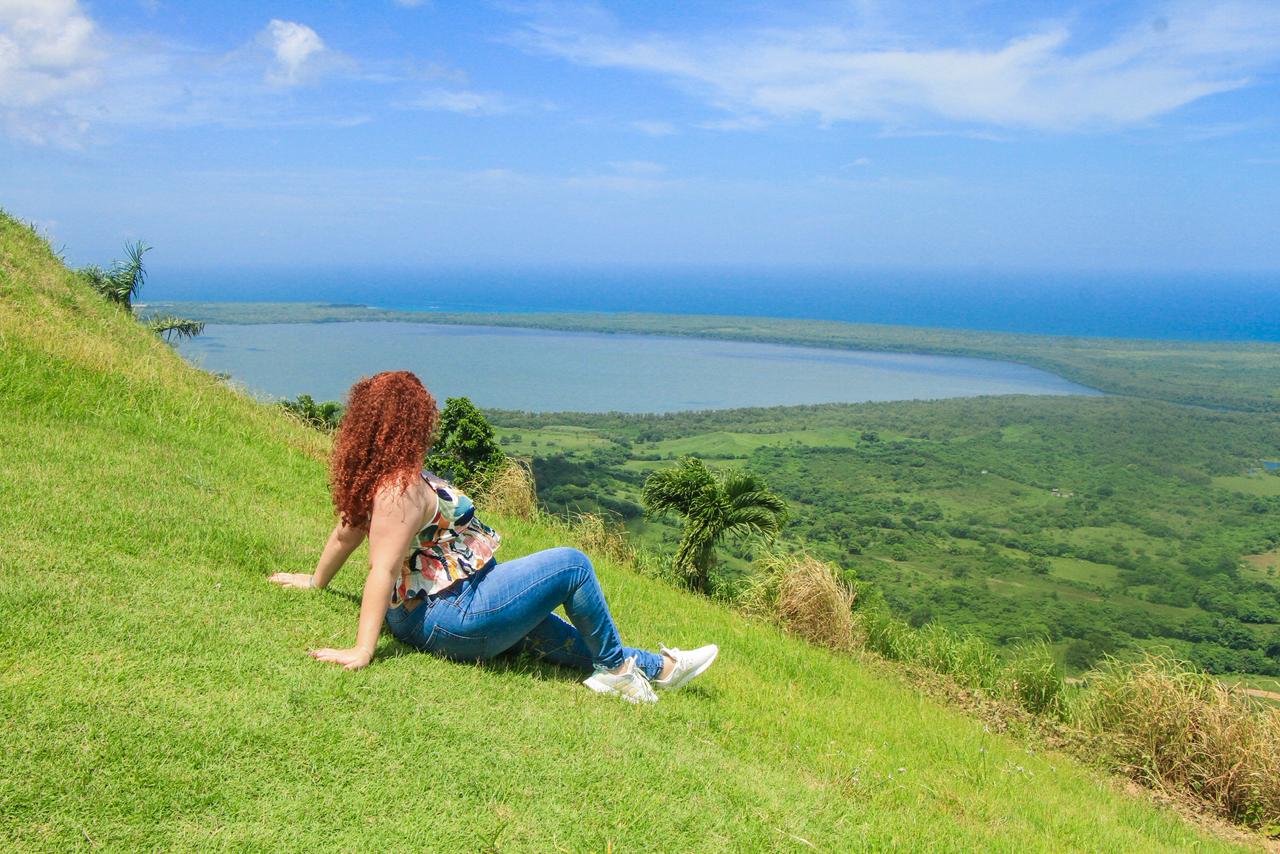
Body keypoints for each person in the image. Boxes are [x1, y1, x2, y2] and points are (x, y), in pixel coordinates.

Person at [268, 370, 717, 703]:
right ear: (411, 422)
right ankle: (618, 673)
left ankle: (663, 668)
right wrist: (363, 650)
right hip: (455, 614)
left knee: (562, 637)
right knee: (573, 565)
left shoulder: (380, 478)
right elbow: (381, 569)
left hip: (445, 610)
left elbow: (343, 536)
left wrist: (315, 581)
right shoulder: (399, 489)